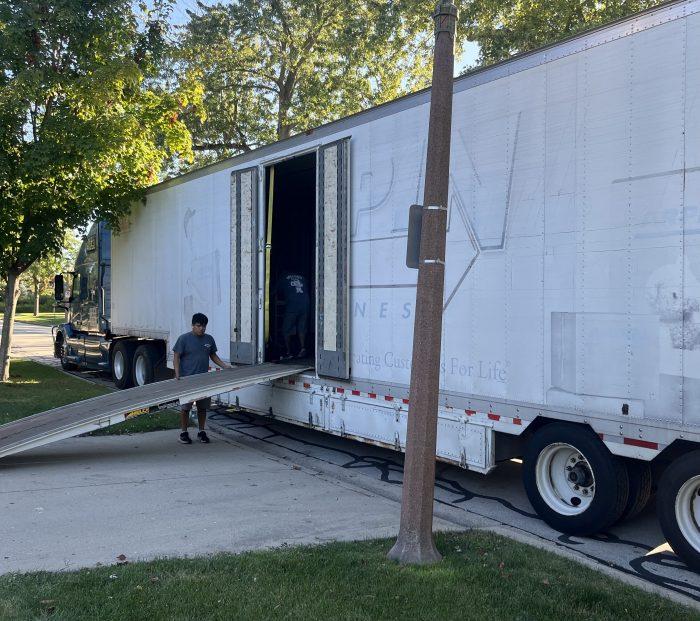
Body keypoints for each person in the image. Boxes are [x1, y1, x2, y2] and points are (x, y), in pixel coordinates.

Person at [172, 312, 230, 444]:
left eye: (204, 326)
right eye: (199, 326)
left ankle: (201, 431)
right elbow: (176, 356)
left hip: (203, 380)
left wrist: (225, 366)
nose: (202, 328)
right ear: (192, 325)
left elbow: (213, 356)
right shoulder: (184, 339)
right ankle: (184, 432)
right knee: (185, 407)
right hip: (187, 379)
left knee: (202, 407)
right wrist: (177, 373)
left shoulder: (209, 339)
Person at [275, 270, 310, 360]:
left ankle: (288, 352)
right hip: (305, 304)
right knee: (302, 328)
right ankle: (302, 349)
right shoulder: (302, 277)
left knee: (286, 329)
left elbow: (273, 292)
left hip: (292, 305)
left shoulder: (283, 278)